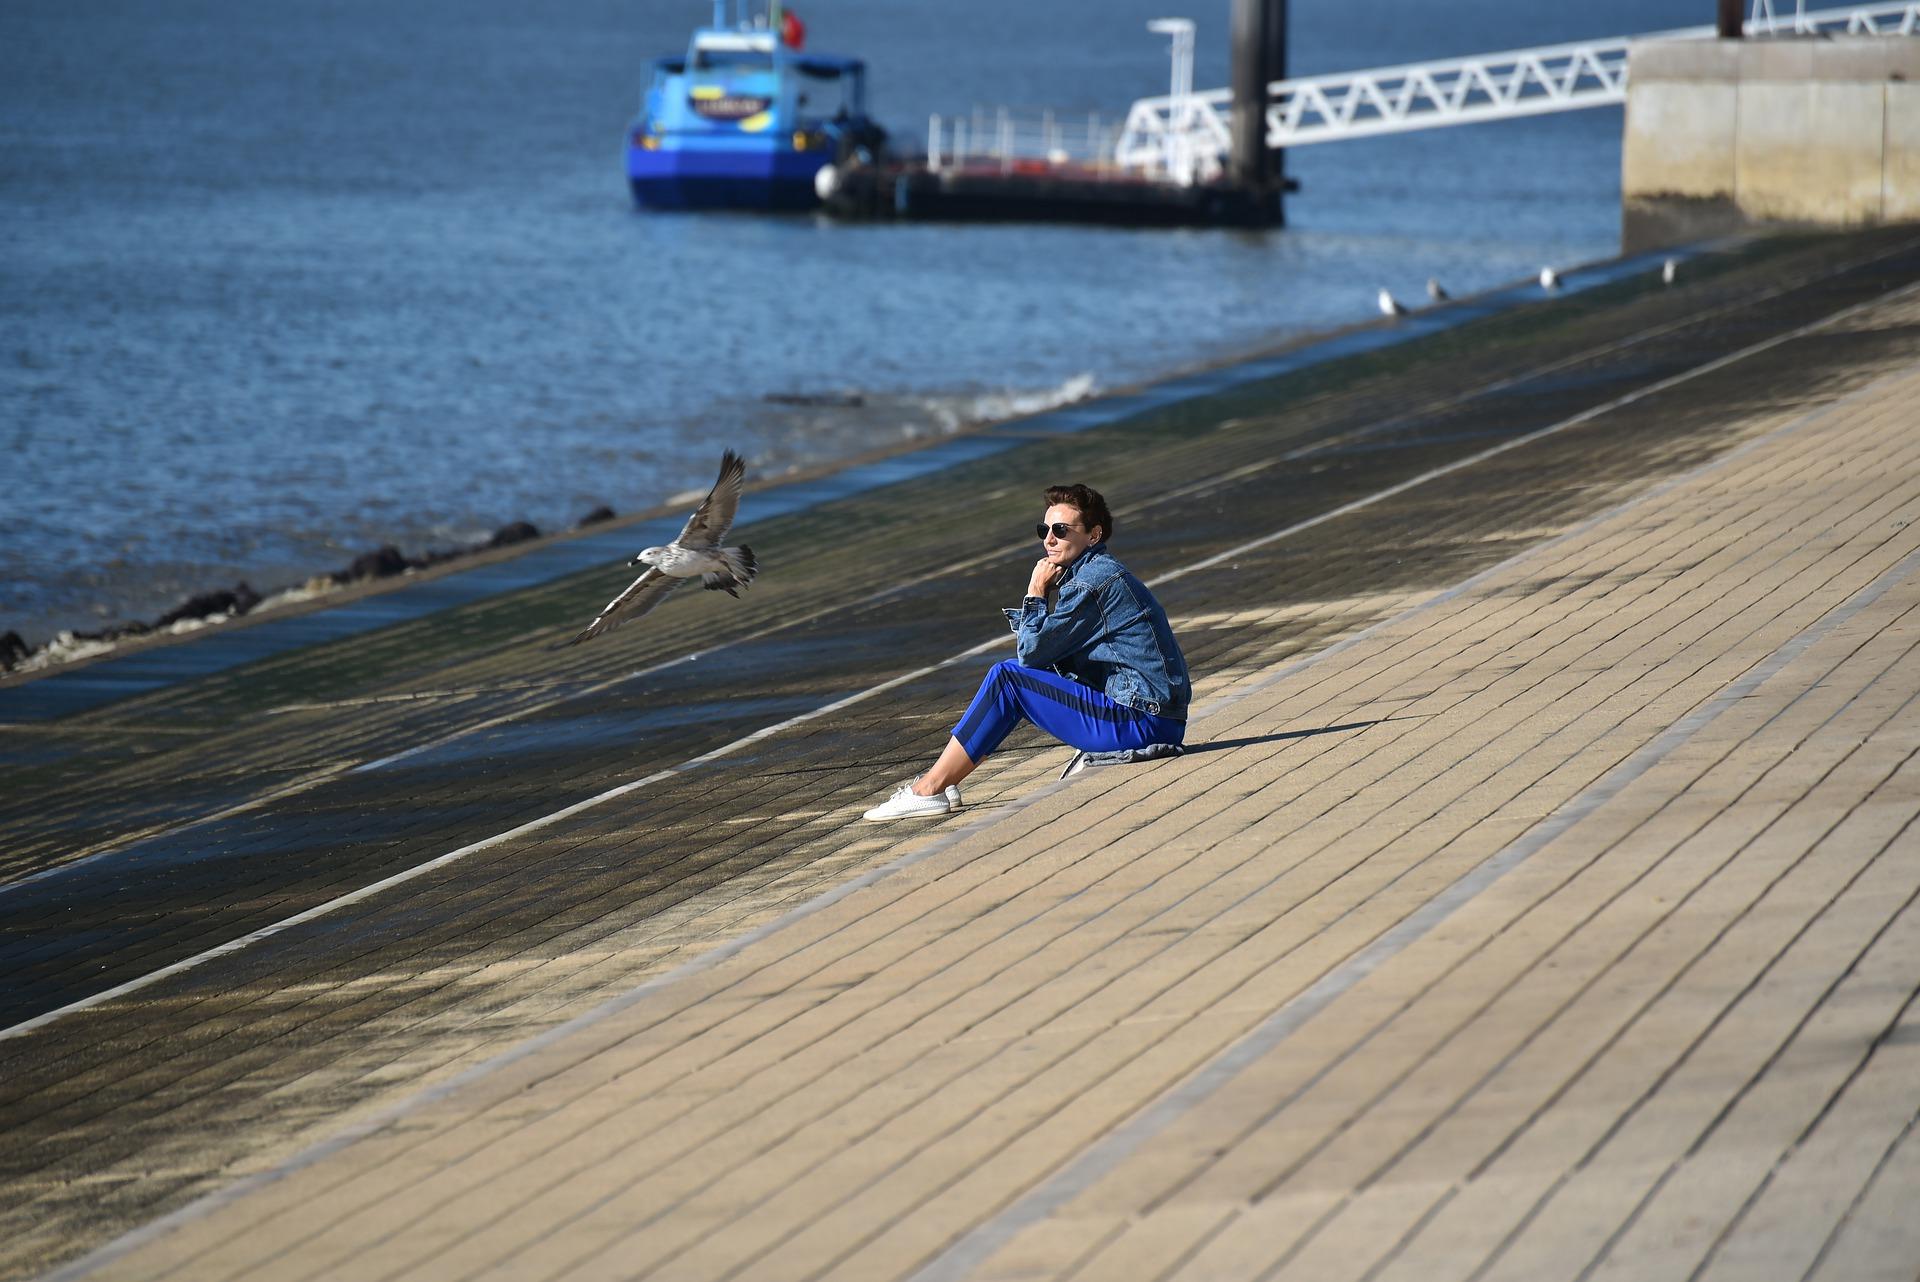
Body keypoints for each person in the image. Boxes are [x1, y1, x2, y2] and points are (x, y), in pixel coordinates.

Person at [863, 483, 1190, 820]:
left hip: (1142, 723)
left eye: (1061, 530)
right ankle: (945, 778)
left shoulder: (1091, 583)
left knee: (1008, 679)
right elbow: (1050, 659)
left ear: (1093, 535)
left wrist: (1035, 592)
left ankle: (929, 789)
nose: (1049, 539)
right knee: (1014, 678)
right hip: (1153, 719)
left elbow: (1031, 655)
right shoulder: (1097, 574)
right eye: (1044, 530)